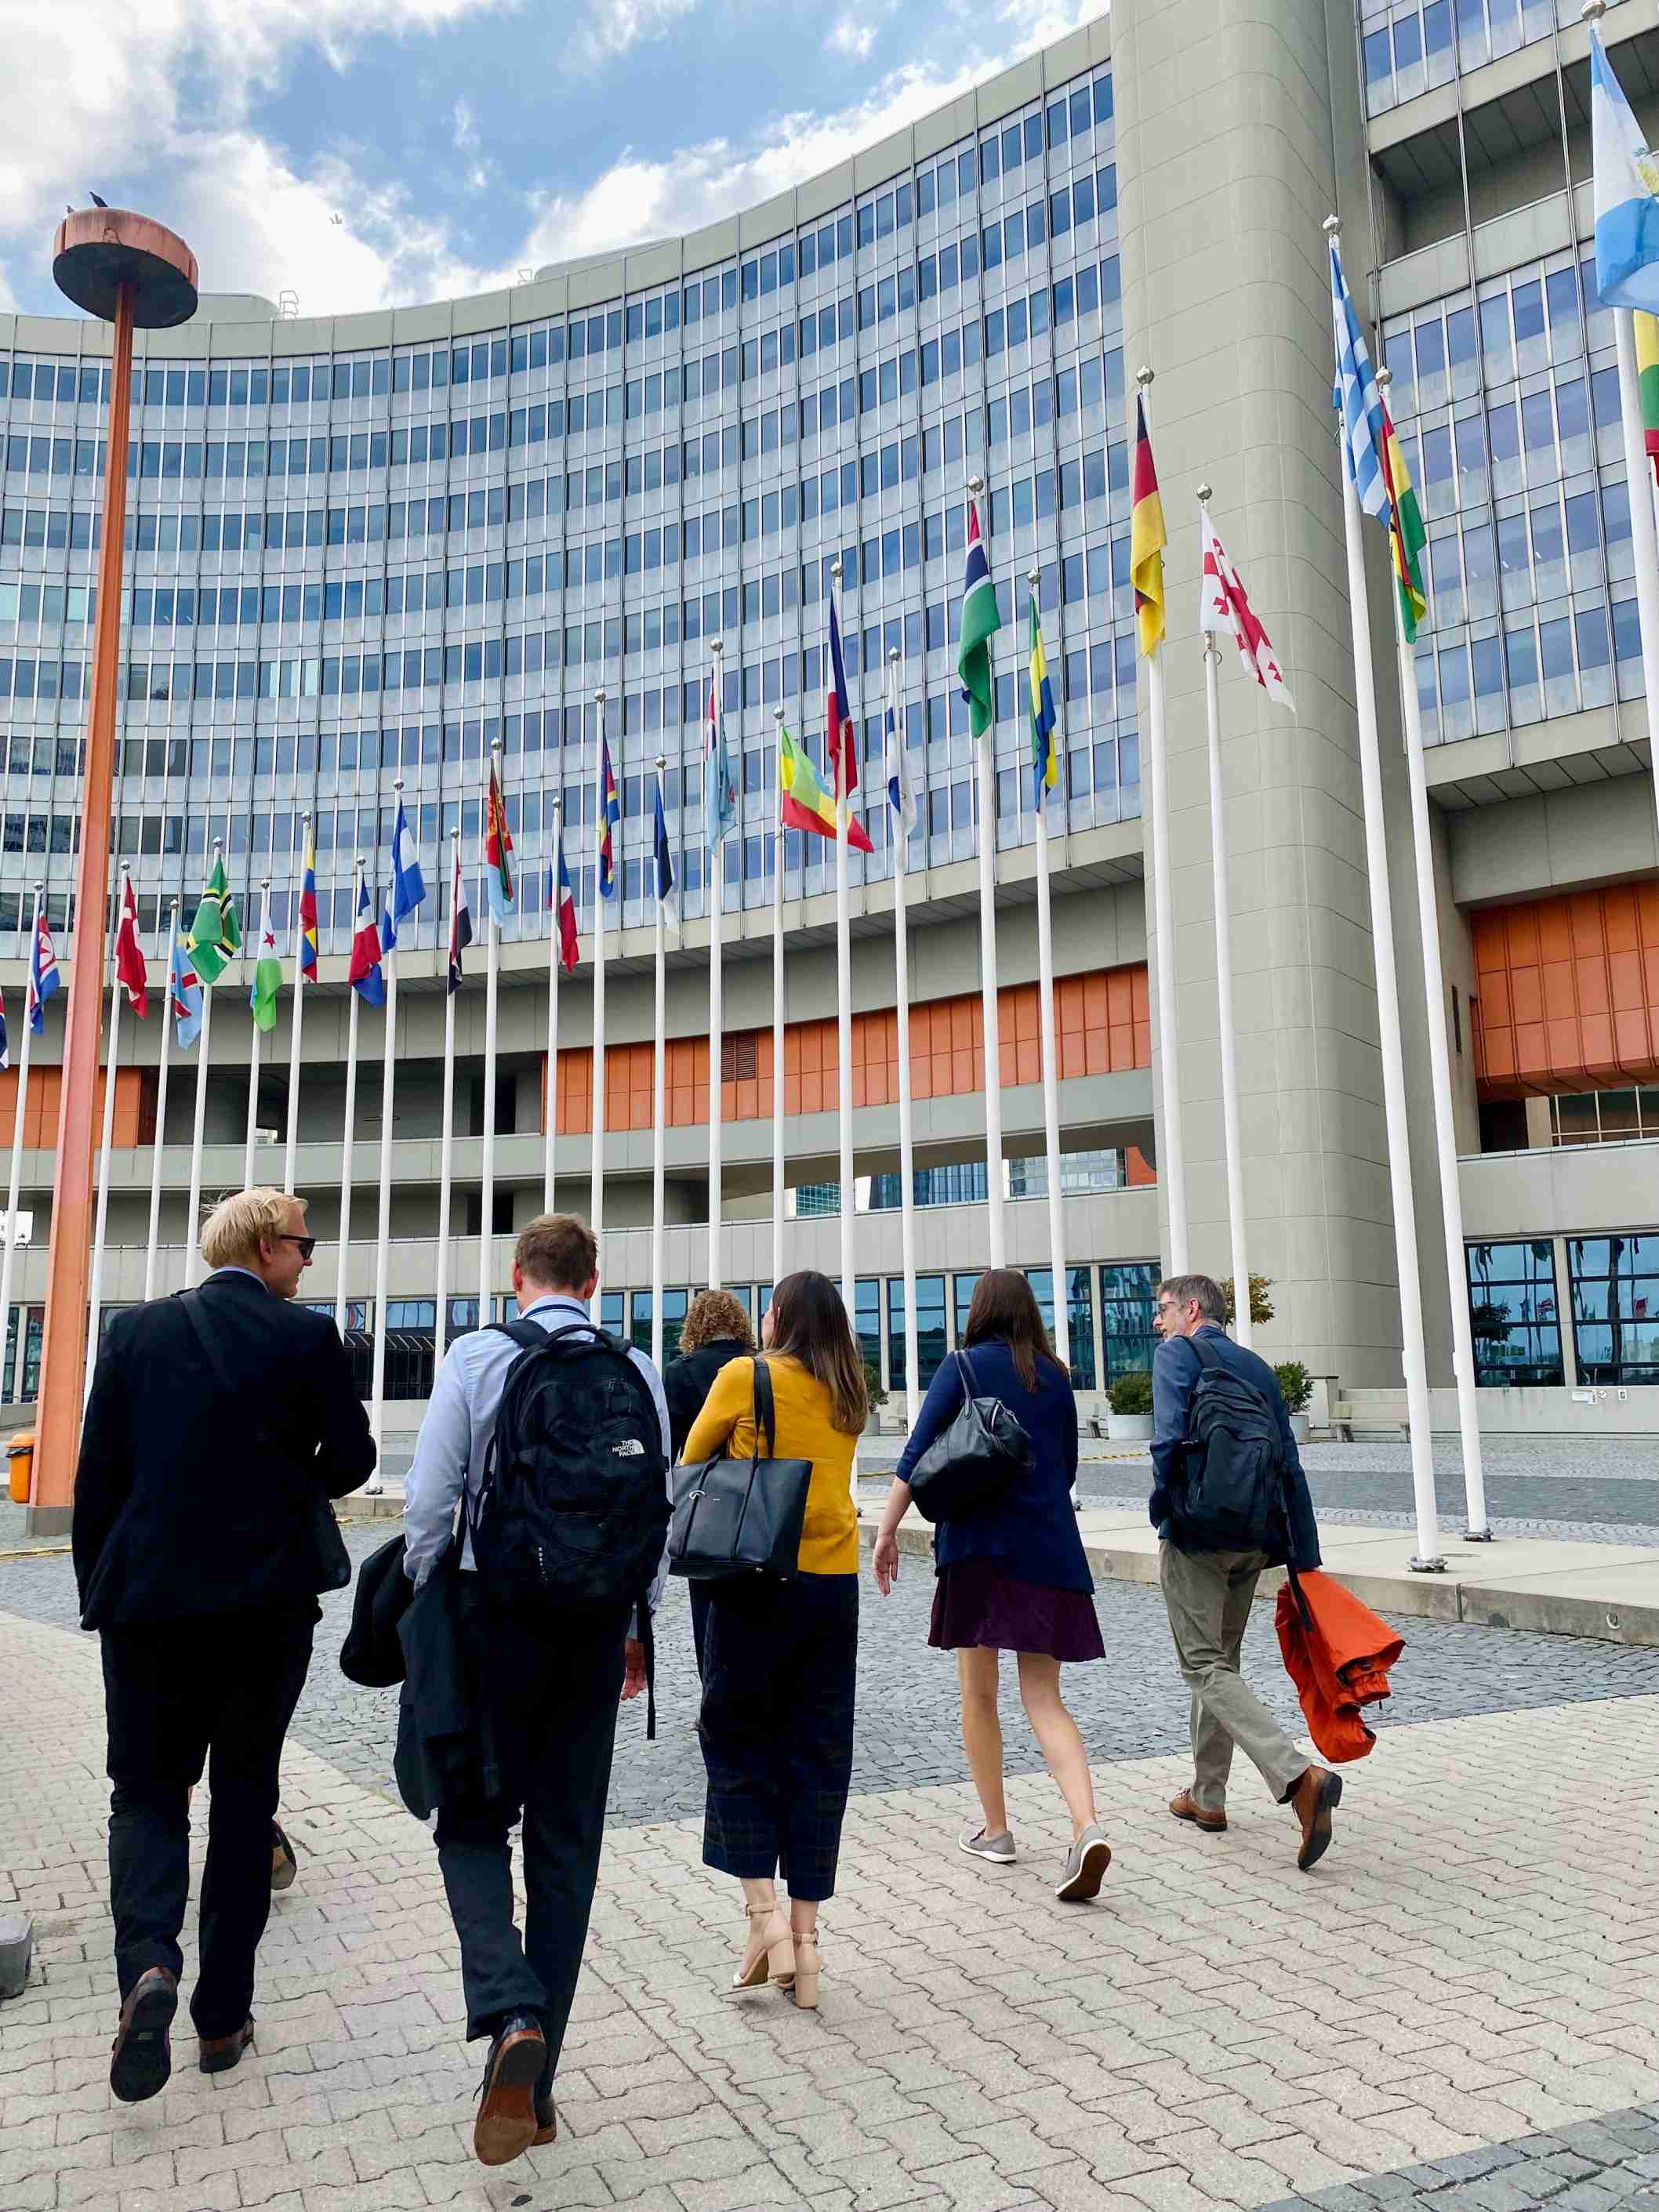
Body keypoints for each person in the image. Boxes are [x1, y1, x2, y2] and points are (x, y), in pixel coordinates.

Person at [73, 1188, 376, 2105]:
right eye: (303, 1241)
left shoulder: (134, 1335)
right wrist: (289, 1482)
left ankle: (148, 1967)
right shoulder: (305, 1337)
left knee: (148, 1790)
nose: (311, 1258)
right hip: (265, 1604)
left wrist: (101, 1590)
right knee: (246, 1800)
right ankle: (221, 2018)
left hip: (151, 1605)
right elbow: (355, 1459)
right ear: (261, 1246)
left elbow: (99, 1479)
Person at [401, 1214, 671, 2168]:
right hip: (594, 1628)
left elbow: (430, 1503)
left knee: (471, 1818)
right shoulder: (632, 1369)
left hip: (490, 1621)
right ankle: (538, 2084)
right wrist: (639, 1622)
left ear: (518, 1276)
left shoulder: (479, 1358)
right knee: (565, 1846)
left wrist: (428, 1592)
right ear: (592, 1281)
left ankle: (509, 2007)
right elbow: (655, 1510)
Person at [873, 1269, 1112, 1903]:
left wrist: (886, 1532)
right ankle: (1086, 1826)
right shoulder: (1057, 1377)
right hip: (1049, 1547)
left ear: (979, 1312)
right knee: (1045, 1696)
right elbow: (1064, 1470)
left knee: (979, 1695)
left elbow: (917, 1455)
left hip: (977, 1550)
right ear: (1028, 1313)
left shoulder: (961, 1367)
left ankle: (998, 1832)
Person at [680, 1269, 864, 2011]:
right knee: (819, 1751)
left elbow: (692, 1464)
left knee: (735, 1738)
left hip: (757, 1582)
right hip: (833, 1586)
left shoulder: (743, 1374)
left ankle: (765, 1923)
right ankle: (808, 1944)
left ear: (781, 1316)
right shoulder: (851, 1388)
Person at [1149, 1272, 1341, 1869]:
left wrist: (1167, 1510)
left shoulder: (1176, 1355)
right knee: (1221, 1663)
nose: (1158, 1322)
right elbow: (1289, 1464)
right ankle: (1208, 1797)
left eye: (1163, 1309)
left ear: (1190, 1309)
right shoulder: (1258, 1368)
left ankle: (1297, 1775)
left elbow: (1165, 1443)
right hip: (1256, 1537)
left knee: (1203, 1664)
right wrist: (1303, 1556)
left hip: (1198, 1531)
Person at [664, 1289, 758, 1677]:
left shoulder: (680, 1371)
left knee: (706, 1602)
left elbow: (669, 1449)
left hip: (705, 1502)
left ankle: (713, 1695)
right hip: (759, 1499)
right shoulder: (763, 1366)